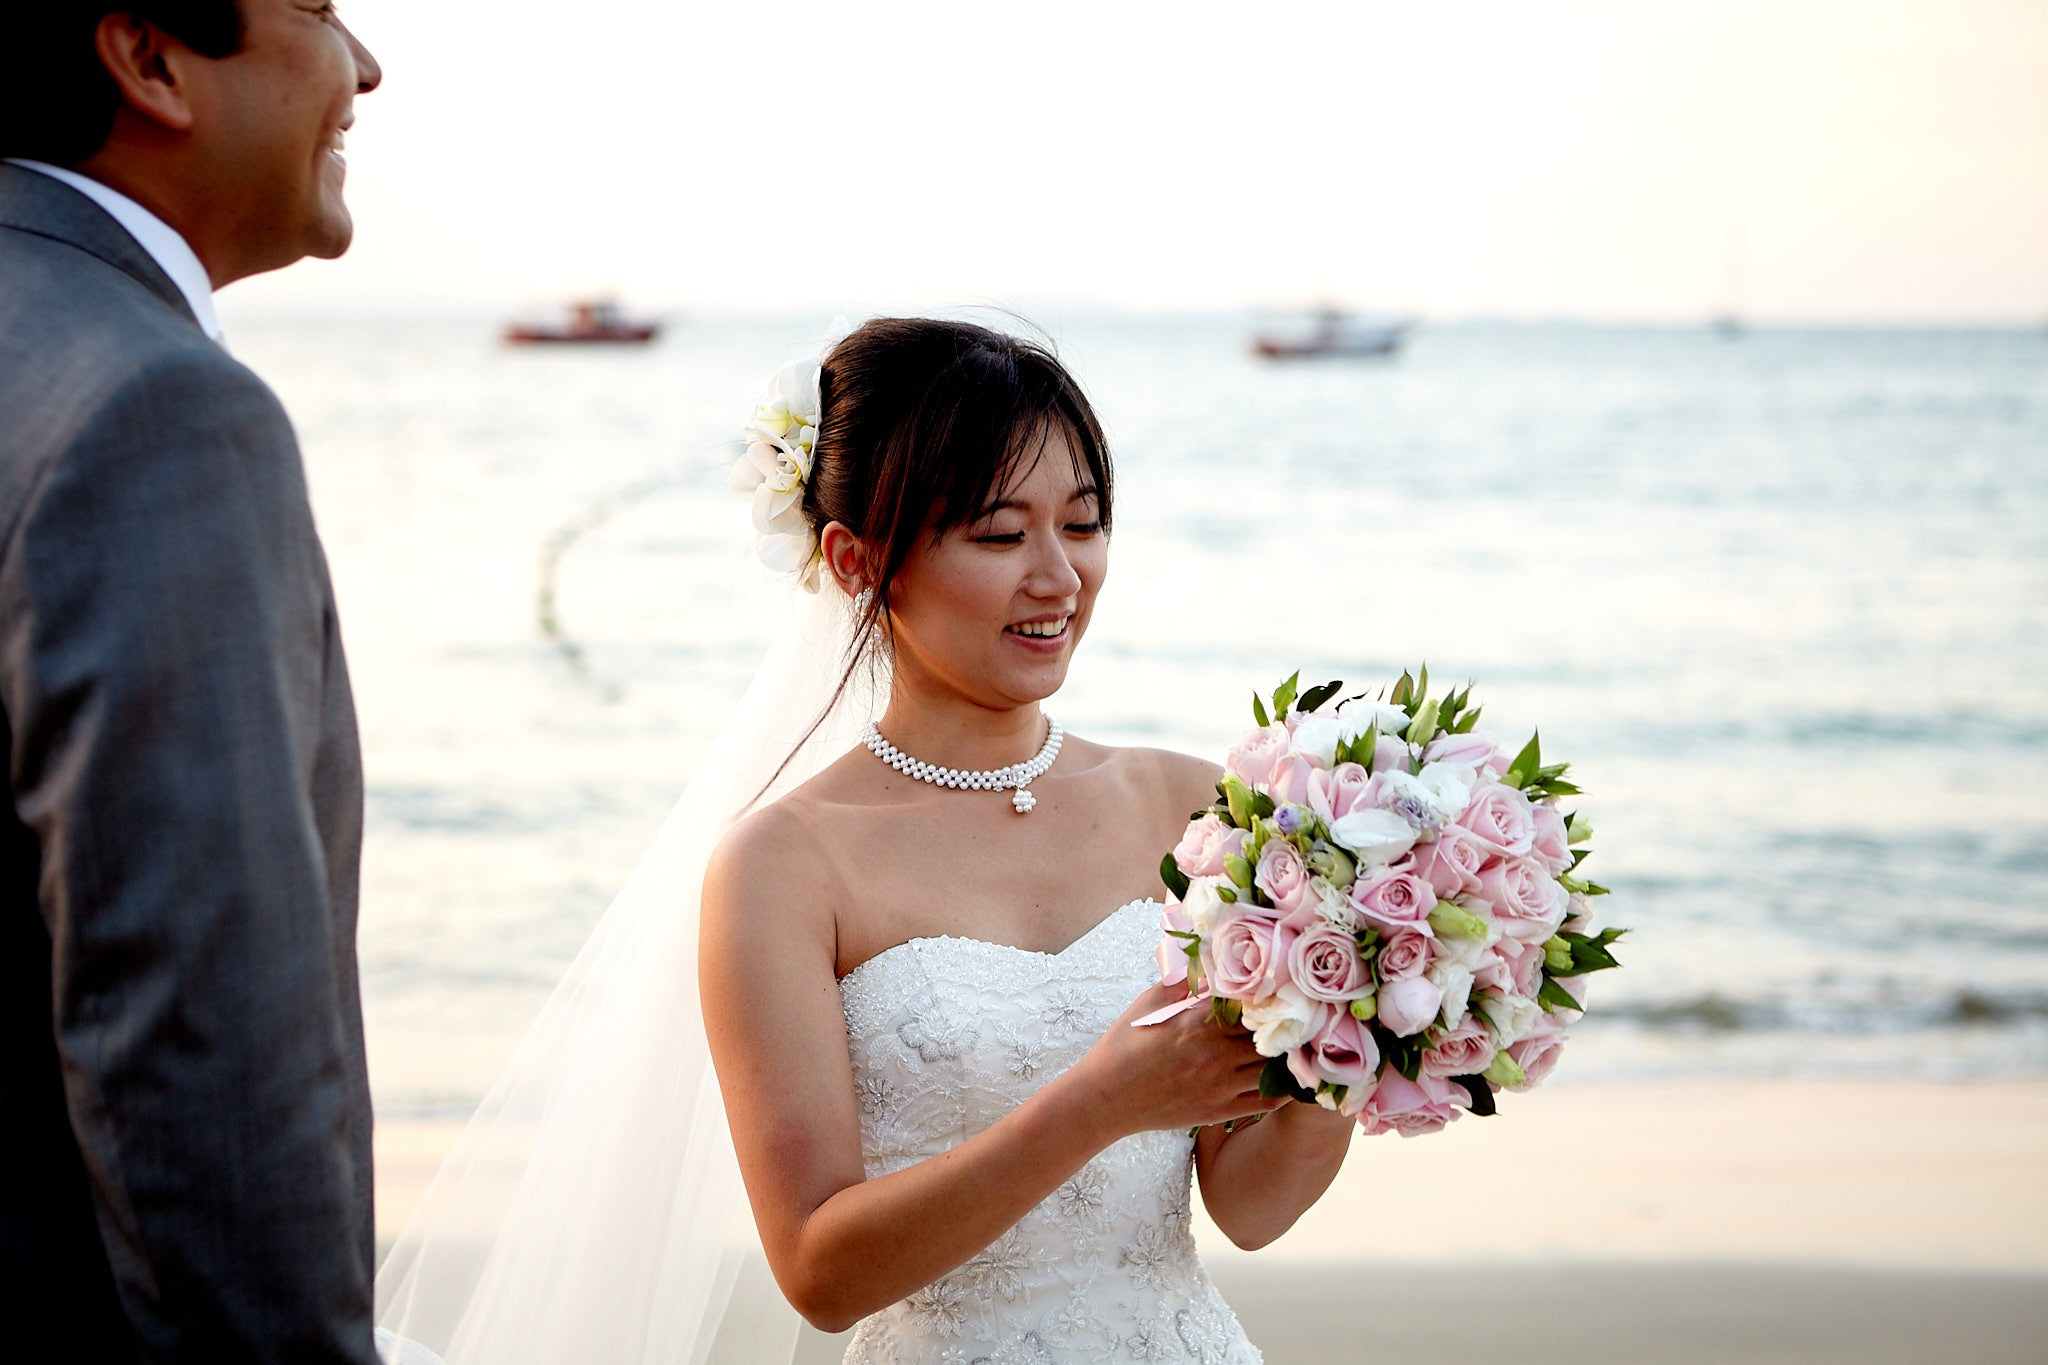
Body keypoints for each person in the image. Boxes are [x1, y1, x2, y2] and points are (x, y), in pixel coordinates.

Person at [699, 318, 1359, 1359]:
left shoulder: (1189, 809)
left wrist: (1355, 1036)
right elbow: (818, 1272)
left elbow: (1249, 1207)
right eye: (1000, 535)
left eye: (1083, 524)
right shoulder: (781, 867)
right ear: (857, 559)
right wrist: (1092, 1108)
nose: (1057, 576)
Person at [0, 3, 383, 1360]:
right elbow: (193, 1055)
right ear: (151, 59)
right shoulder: (149, 410)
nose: (366, 68)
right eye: (324, 10)